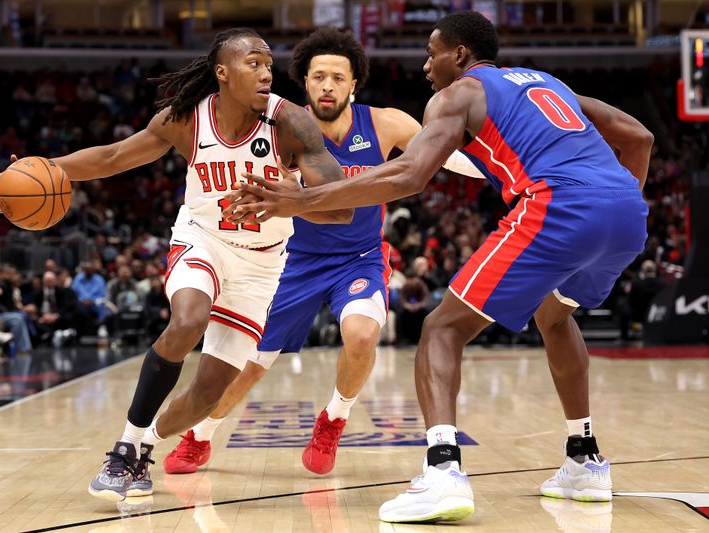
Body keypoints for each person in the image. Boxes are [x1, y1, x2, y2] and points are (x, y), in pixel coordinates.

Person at [225, 12, 652, 523]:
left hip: (558, 206)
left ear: (461, 55)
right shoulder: (548, 82)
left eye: (433, 53)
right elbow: (639, 137)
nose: (427, 65)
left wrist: (303, 198)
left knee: (442, 328)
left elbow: (409, 174)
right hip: (628, 212)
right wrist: (615, 206)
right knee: (555, 317)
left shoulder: (458, 94)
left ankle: (443, 471)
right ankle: (584, 460)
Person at [0, 28, 352, 502]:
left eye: (269, 63)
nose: (267, 72)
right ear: (222, 72)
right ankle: (123, 448)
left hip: (261, 267)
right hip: (202, 239)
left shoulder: (291, 123)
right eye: (253, 63)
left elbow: (341, 210)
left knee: (207, 396)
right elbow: (114, 156)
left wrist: (292, 201)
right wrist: (46, 165)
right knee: (188, 319)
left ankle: (144, 445)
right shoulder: (185, 119)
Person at [164, 26, 483, 477]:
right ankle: (201, 434)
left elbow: (449, 156)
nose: (327, 85)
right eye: (318, 77)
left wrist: (504, 171)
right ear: (305, 82)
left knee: (361, 333)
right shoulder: (279, 125)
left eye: (338, 77)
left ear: (354, 83)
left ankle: (334, 418)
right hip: (287, 261)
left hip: (359, 258)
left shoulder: (388, 123)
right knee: (248, 367)